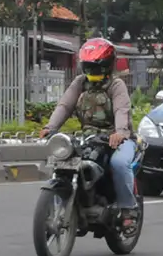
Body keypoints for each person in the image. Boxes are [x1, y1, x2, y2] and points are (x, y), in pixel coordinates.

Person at [39, 38, 139, 230]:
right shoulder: (80, 83)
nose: (92, 72)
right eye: (88, 67)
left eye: (96, 67)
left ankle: (128, 209)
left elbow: (122, 110)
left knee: (118, 163)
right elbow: (65, 105)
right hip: (90, 137)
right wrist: (51, 127)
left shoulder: (116, 85)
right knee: (66, 159)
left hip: (118, 138)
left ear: (108, 66)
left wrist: (120, 133)